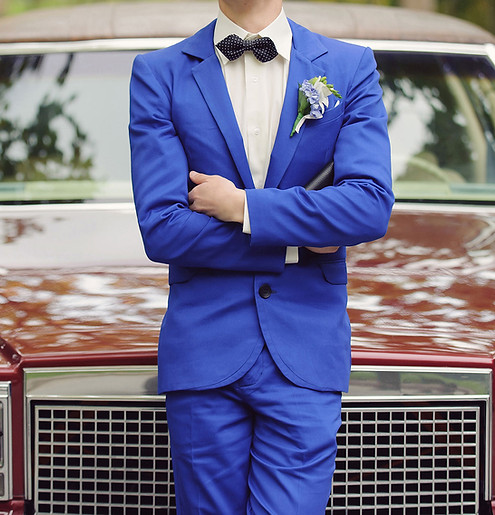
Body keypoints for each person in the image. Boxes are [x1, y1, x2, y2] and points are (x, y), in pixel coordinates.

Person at [129, 0, 394, 512]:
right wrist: (296, 243)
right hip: (204, 351)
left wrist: (242, 207)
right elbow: (162, 229)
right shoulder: (158, 74)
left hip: (306, 351)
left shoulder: (348, 66)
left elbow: (368, 206)